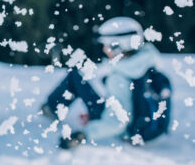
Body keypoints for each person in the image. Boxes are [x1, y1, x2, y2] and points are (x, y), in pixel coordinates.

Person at [42, 17, 172, 149]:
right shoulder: (147, 63)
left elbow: (117, 122)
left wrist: (83, 134)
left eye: (107, 45)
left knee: (76, 78)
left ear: (120, 45)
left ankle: (50, 109)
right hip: (147, 130)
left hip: (128, 132)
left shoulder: (120, 78)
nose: (104, 49)